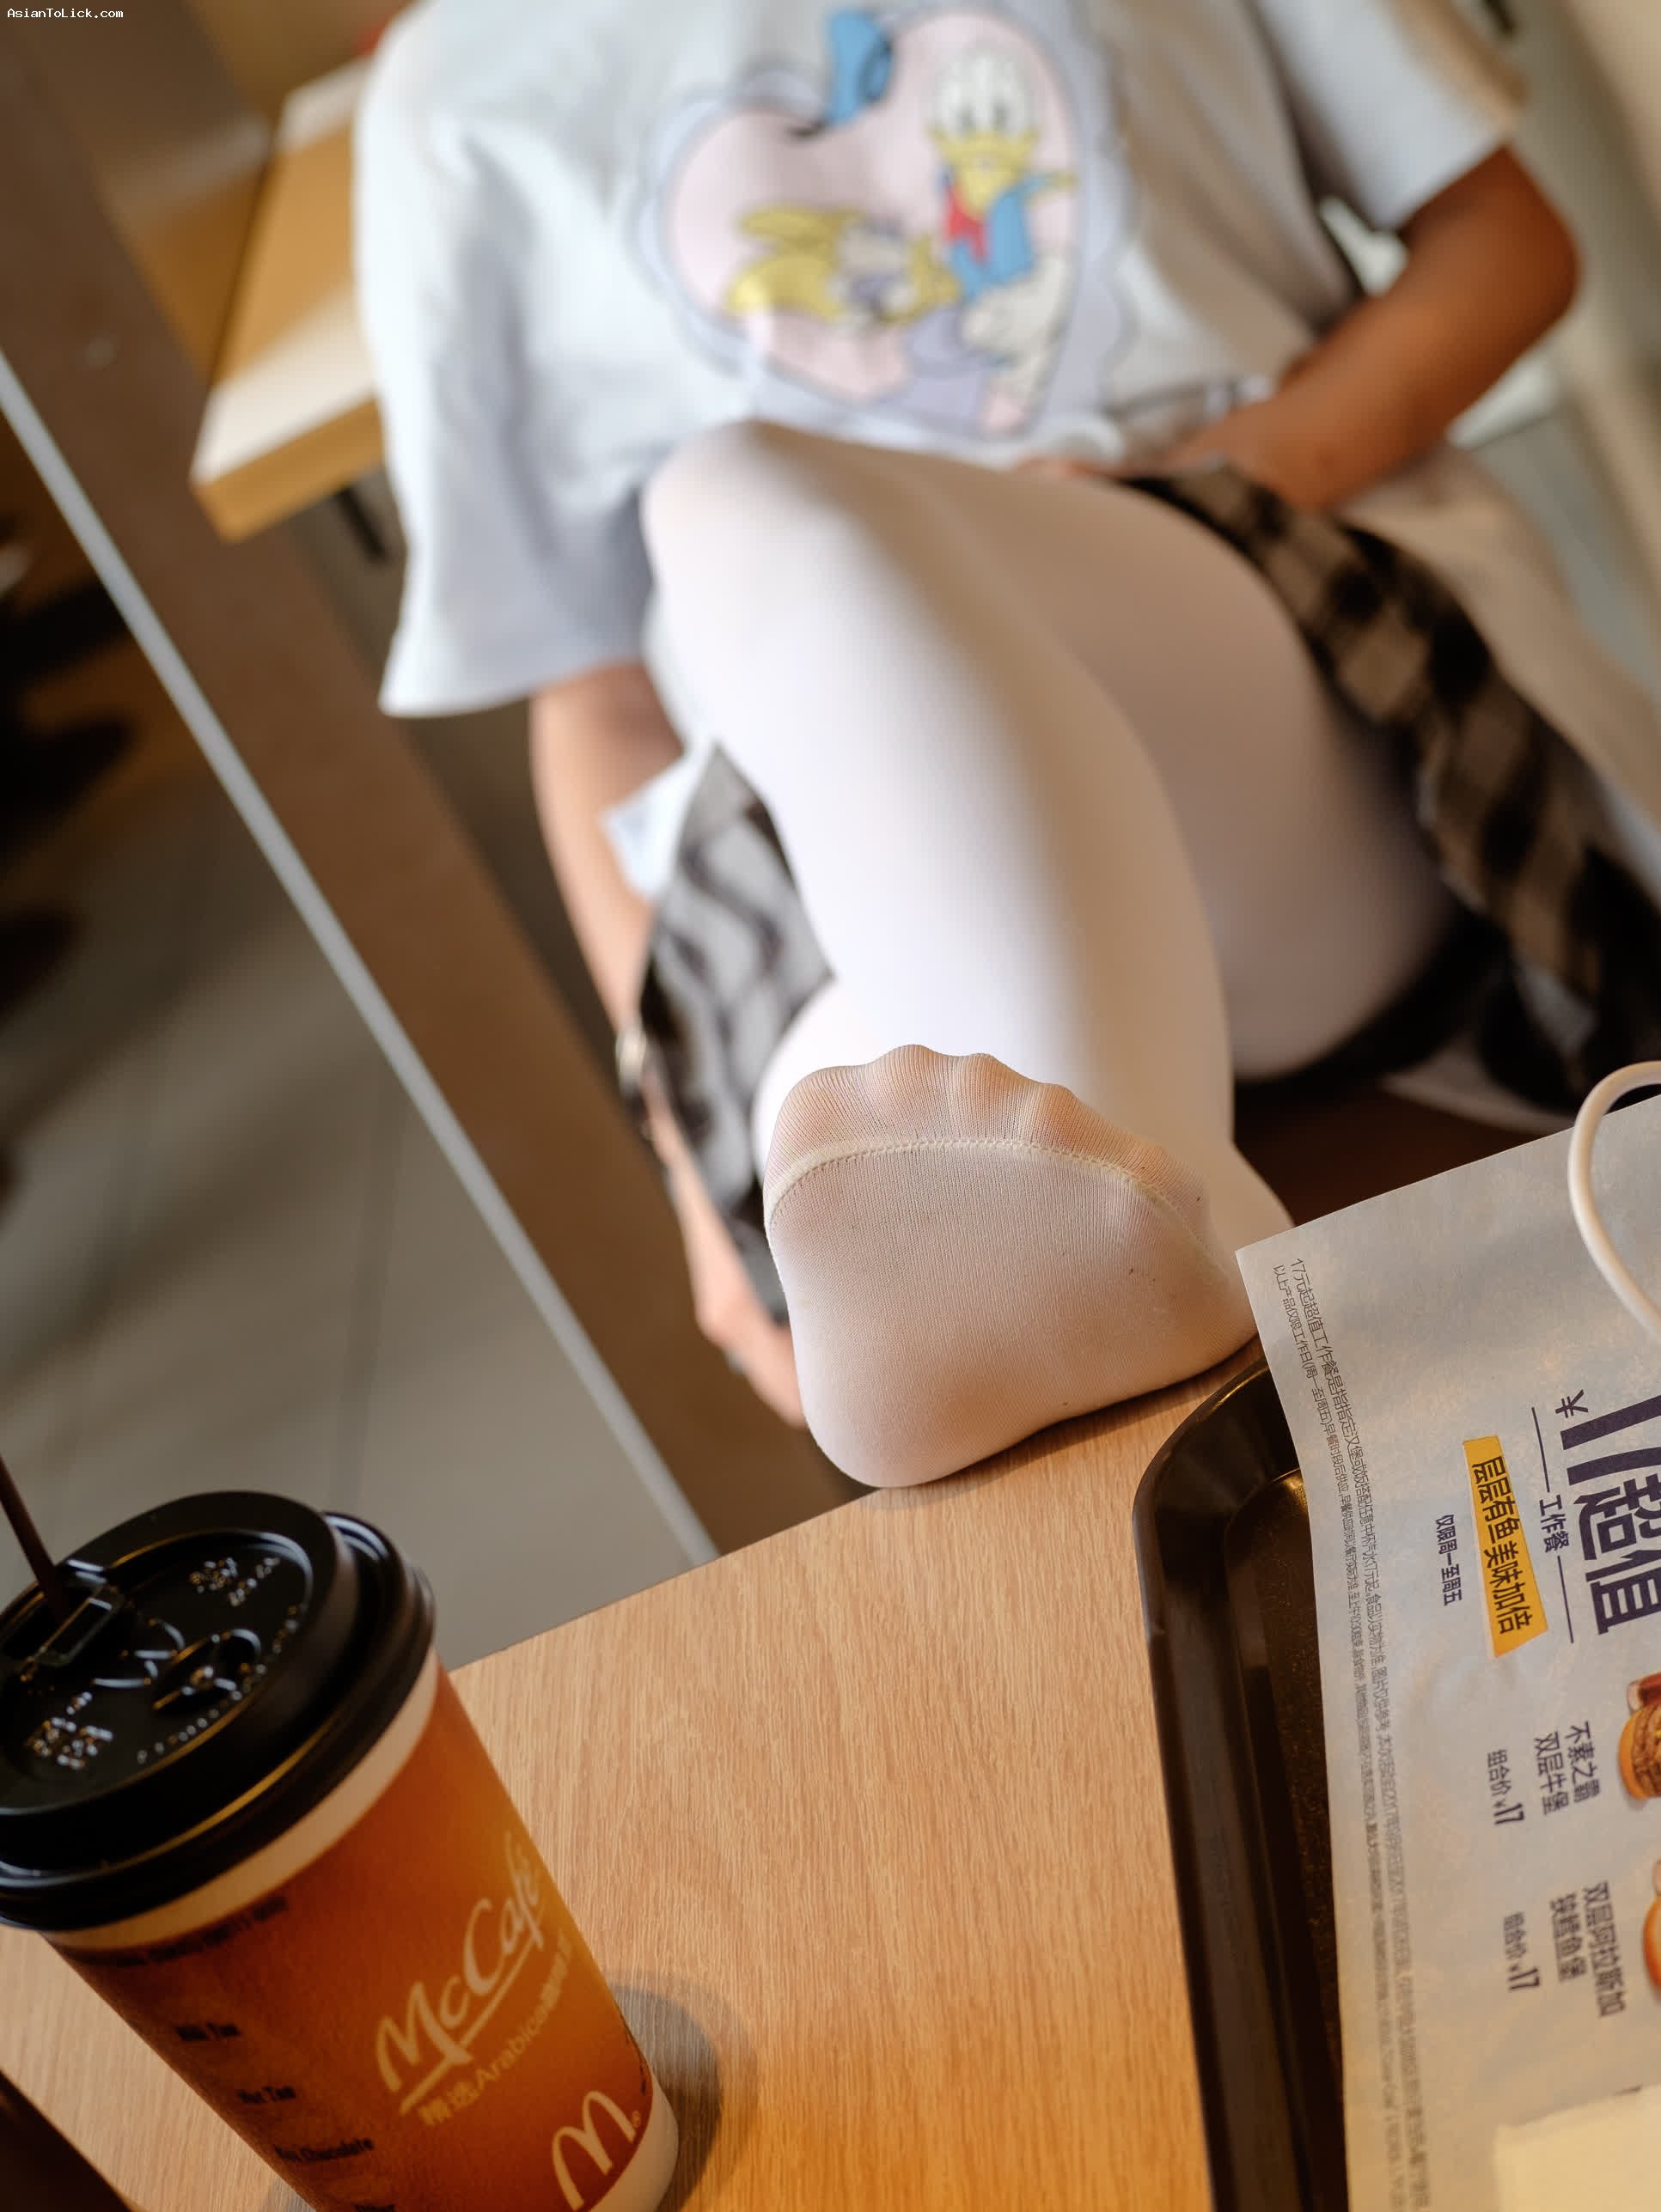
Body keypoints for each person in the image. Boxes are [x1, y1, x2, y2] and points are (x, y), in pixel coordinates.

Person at [356, 0, 1661, 1485]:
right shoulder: (449, 99)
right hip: (798, 843)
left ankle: (1113, 1252)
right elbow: (591, 696)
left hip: (1263, 645)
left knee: (731, 495)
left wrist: (1177, 479)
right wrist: (677, 1155)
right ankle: (1120, 1229)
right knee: (844, 1151)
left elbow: (1499, 241)